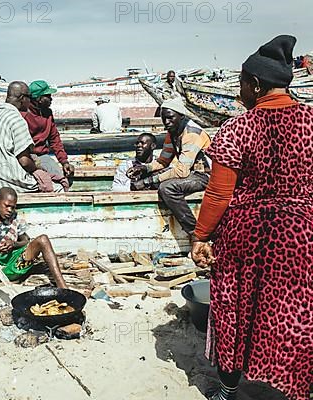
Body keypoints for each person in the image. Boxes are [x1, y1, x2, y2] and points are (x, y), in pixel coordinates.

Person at [191, 35, 312, 400]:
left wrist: (200, 237)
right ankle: (298, 387)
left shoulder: (236, 129)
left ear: (255, 85)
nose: (240, 89)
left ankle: (228, 390)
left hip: (245, 236)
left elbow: (218, 194)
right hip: (301, 236)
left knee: (234, 312)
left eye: (242, 82)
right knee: (296, 313)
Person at [127, 97, 211, 235]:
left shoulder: (192, 134)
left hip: (205, 175)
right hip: (190, 173)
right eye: (164, 118)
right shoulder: (172, 133)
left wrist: (148, 181)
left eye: (170, 118)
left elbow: (181, 172)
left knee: (167, 188)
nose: (167, 122)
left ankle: (195, 233)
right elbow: (163, 161)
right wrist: (144, 168)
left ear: (181, 116)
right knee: (150, 176)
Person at [0, 81, 67, 193]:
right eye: (29, 98)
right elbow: (24, 161)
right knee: (59, 189)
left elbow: (55, 139)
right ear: (23, 98)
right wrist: (39, 171)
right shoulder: (17, 119)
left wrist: (64, 161)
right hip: (14, 182)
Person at [22, 80, 75, 180]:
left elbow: (54, 139)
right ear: (39, 99)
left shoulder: (47, 113)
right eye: (48, 96)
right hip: (26, 158)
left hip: (42, 156)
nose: (51, 99)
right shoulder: (23, 115)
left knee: (60, 179)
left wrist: (64, 161)